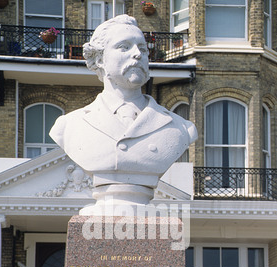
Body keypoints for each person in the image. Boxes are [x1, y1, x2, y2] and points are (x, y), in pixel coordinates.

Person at [50, 15, 197, 206]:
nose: (137, 54)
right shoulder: (68, 126)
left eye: (142, 49)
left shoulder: (181, 128)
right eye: (124, 47)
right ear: (100, 59)